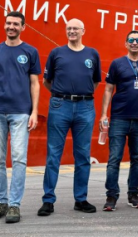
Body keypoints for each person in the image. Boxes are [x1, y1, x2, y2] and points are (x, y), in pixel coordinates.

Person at [0, 11, 41, 224]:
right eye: (8, 23)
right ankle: (1, 201)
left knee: (19, 159)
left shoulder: (30, 51)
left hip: (20, 112)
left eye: (15, 24)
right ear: (4, 26)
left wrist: (34, 111)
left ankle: (14, 205)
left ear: (23, 27)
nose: (11, 26)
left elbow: (35, 83)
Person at [38, 18, 101, 216]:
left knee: (82, 155)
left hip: (85, 106)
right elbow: (46, 81)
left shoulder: (92, 54)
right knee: (53, 155)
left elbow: (95, 82)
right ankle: (48, 200)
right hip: (60, 105)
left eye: (75, 28)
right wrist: (61, 95)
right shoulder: (57, 53)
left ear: (83, 31)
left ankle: (80, 199)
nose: (72, 31)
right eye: (69, 29)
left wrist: (82, 95)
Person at [100, 31, 138, 211]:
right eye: (131, 40)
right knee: (114, 158)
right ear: (126, 43)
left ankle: (133, 194)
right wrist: (103, 115)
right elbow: (108, 89)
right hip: (119, 118)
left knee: (136, 158)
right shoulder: (117, 64)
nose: (135, 43)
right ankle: (111, 195)